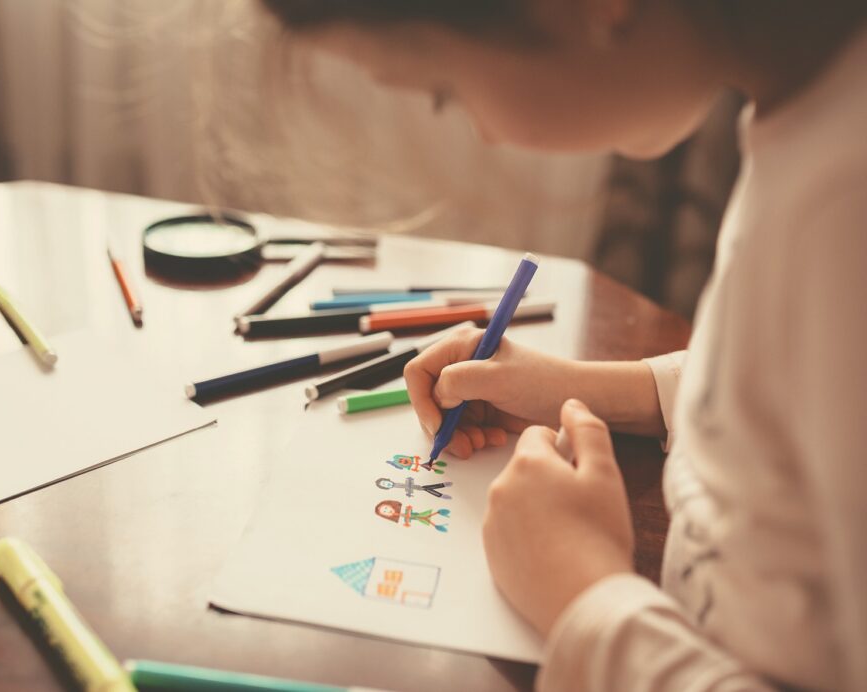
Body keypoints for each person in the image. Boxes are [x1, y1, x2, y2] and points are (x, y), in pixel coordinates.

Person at [257, 1, 867, 690]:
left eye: (445, 93)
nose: (484, 135)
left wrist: (586, 599)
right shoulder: (812, 115)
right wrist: (605, 393)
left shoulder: (848, 205)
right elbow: (794, 392)